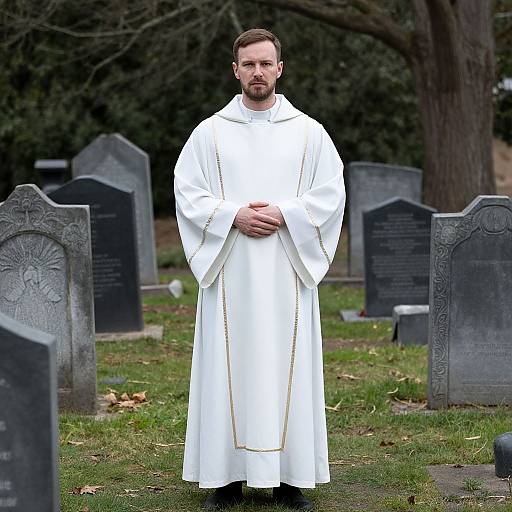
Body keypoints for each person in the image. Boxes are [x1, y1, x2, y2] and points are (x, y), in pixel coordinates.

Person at [174, 28, 345, 510]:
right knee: (228, 369)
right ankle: (226, 478)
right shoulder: (208, 134)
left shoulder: (310, 133)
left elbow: (331, 194)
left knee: (286, 369)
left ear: (280, 69)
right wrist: (234, 215)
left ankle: (289, 479)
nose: (257, 73)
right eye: (248, 64)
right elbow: (187, 192)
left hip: (286, 272)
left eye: (265, 64)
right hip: (230, 271)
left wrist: (284, 214)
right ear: (235, 70)